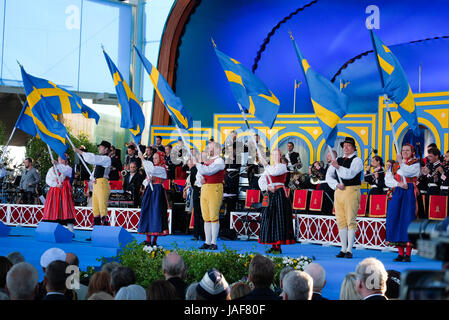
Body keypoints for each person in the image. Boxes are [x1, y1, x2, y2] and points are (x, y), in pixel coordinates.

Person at [326, 137, 363, 259]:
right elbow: (329, 176)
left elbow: (350, 174)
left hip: (351, 190)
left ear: (353, 147)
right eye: (344, 145)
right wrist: (336, 184)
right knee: (341, 220)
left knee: (350, 220)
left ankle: (349, 249)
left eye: (349, 145)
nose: (346, 148)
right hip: (339, 191)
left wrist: (338, 167)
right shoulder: (339, 159)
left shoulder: (357, 160)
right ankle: (342, 248)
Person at [385, 143, 420, 262]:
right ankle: (400, 253)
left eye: (407, 150)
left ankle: (408, 254)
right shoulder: (394, 165)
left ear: (412, 152)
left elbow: (409, 173)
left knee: (407, 220)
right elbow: (388, 179)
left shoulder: (415, 163)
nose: (405, 152)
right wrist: (398, 184)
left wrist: (401, 163)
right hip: (398, 191)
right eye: (403, 150)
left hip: (409, 192)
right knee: (395, 219)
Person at [258, 149, 296, 254]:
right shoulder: (269, 168)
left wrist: (265, 165)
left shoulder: (282, 166)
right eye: (273, 154)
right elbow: (261, 180)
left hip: (280, 194)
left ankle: (278, 245)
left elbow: (275, 173)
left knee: (279, 218)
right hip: (271, 193)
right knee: (270, 218)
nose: (275, 156)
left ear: (280, 155)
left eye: (277, 154)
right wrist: (267, 187)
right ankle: (273, 245)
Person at [194, 142, 226, 250]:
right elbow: (199, 175)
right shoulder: (208, 161)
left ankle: (214, 242)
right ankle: (207, 242)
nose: (209, 150)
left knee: (213, 216)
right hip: (205, 188)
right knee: (206, 217)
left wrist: (198, 164)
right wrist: (200, 180)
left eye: (211, 148)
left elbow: (209, 171)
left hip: (215, 188)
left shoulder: (219, 161)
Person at [135, 143, 169, 246]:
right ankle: (148, 239)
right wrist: (147, 180)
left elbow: (153, 171)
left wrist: (142, 159)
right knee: (147, 213)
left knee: (156, 214)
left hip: (157, 192)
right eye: (153, 158)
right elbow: (146, 180)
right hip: (150, 191)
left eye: (156, 158)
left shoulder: (162, 168)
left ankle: (154, 240)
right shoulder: (152, 168)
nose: (154, 160)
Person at [74, 140, 112, 227]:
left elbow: (93, 158)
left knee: (102, 208)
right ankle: (96, 233)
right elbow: (94, 172)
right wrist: (92, 178)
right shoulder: (100, 160)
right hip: (97, 184)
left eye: (101, 147)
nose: (99, 148)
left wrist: (80, 152)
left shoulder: (106, 159)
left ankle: (104, 232)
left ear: (106, 149)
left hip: (102, 184)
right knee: (95, 209)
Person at [42, 155, 76, 233]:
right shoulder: (52, 169)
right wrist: (55, 184)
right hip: (54, 191)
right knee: (53, 209)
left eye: (62, 159)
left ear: (66, 161)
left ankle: (71, 231)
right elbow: (48, 179)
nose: (60, 160)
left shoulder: (68, 168)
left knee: (66, 209)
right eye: (59, 158)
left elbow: (65, 171)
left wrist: (57, 164)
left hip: (64, 191)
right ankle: (53, 230)